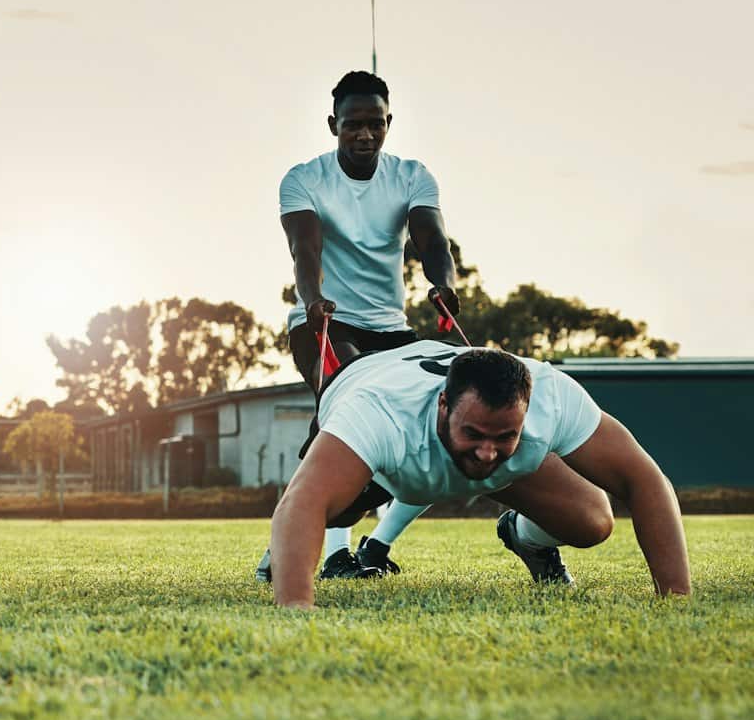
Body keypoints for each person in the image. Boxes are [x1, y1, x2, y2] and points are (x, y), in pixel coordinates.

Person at [267, 344, 690, 608]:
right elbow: (299, 503)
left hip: (435, 406)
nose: (488, 451)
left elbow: (645, 479)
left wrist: (675, 600)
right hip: (372, 395)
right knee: (332, 512)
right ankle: (281, 554)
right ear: (444, 405)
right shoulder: (378, 413)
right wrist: (296, 609)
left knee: (592, 521)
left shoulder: (553, 397)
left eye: (506, 435)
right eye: (474, 433)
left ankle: (524, 537)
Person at [259, 70, 461, 583]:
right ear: (333, 124)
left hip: (391, 330)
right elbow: (305, 248)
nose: (365, 135)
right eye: (353, 125)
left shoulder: (412, 176)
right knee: (348, 417)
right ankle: (331, 556)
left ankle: (373, 543)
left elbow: (432, 241)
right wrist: (313, 299)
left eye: (376, 124)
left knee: (435, 429)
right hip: (324, 323)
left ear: (390, 123)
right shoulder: (303, 179)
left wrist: (442, 283)